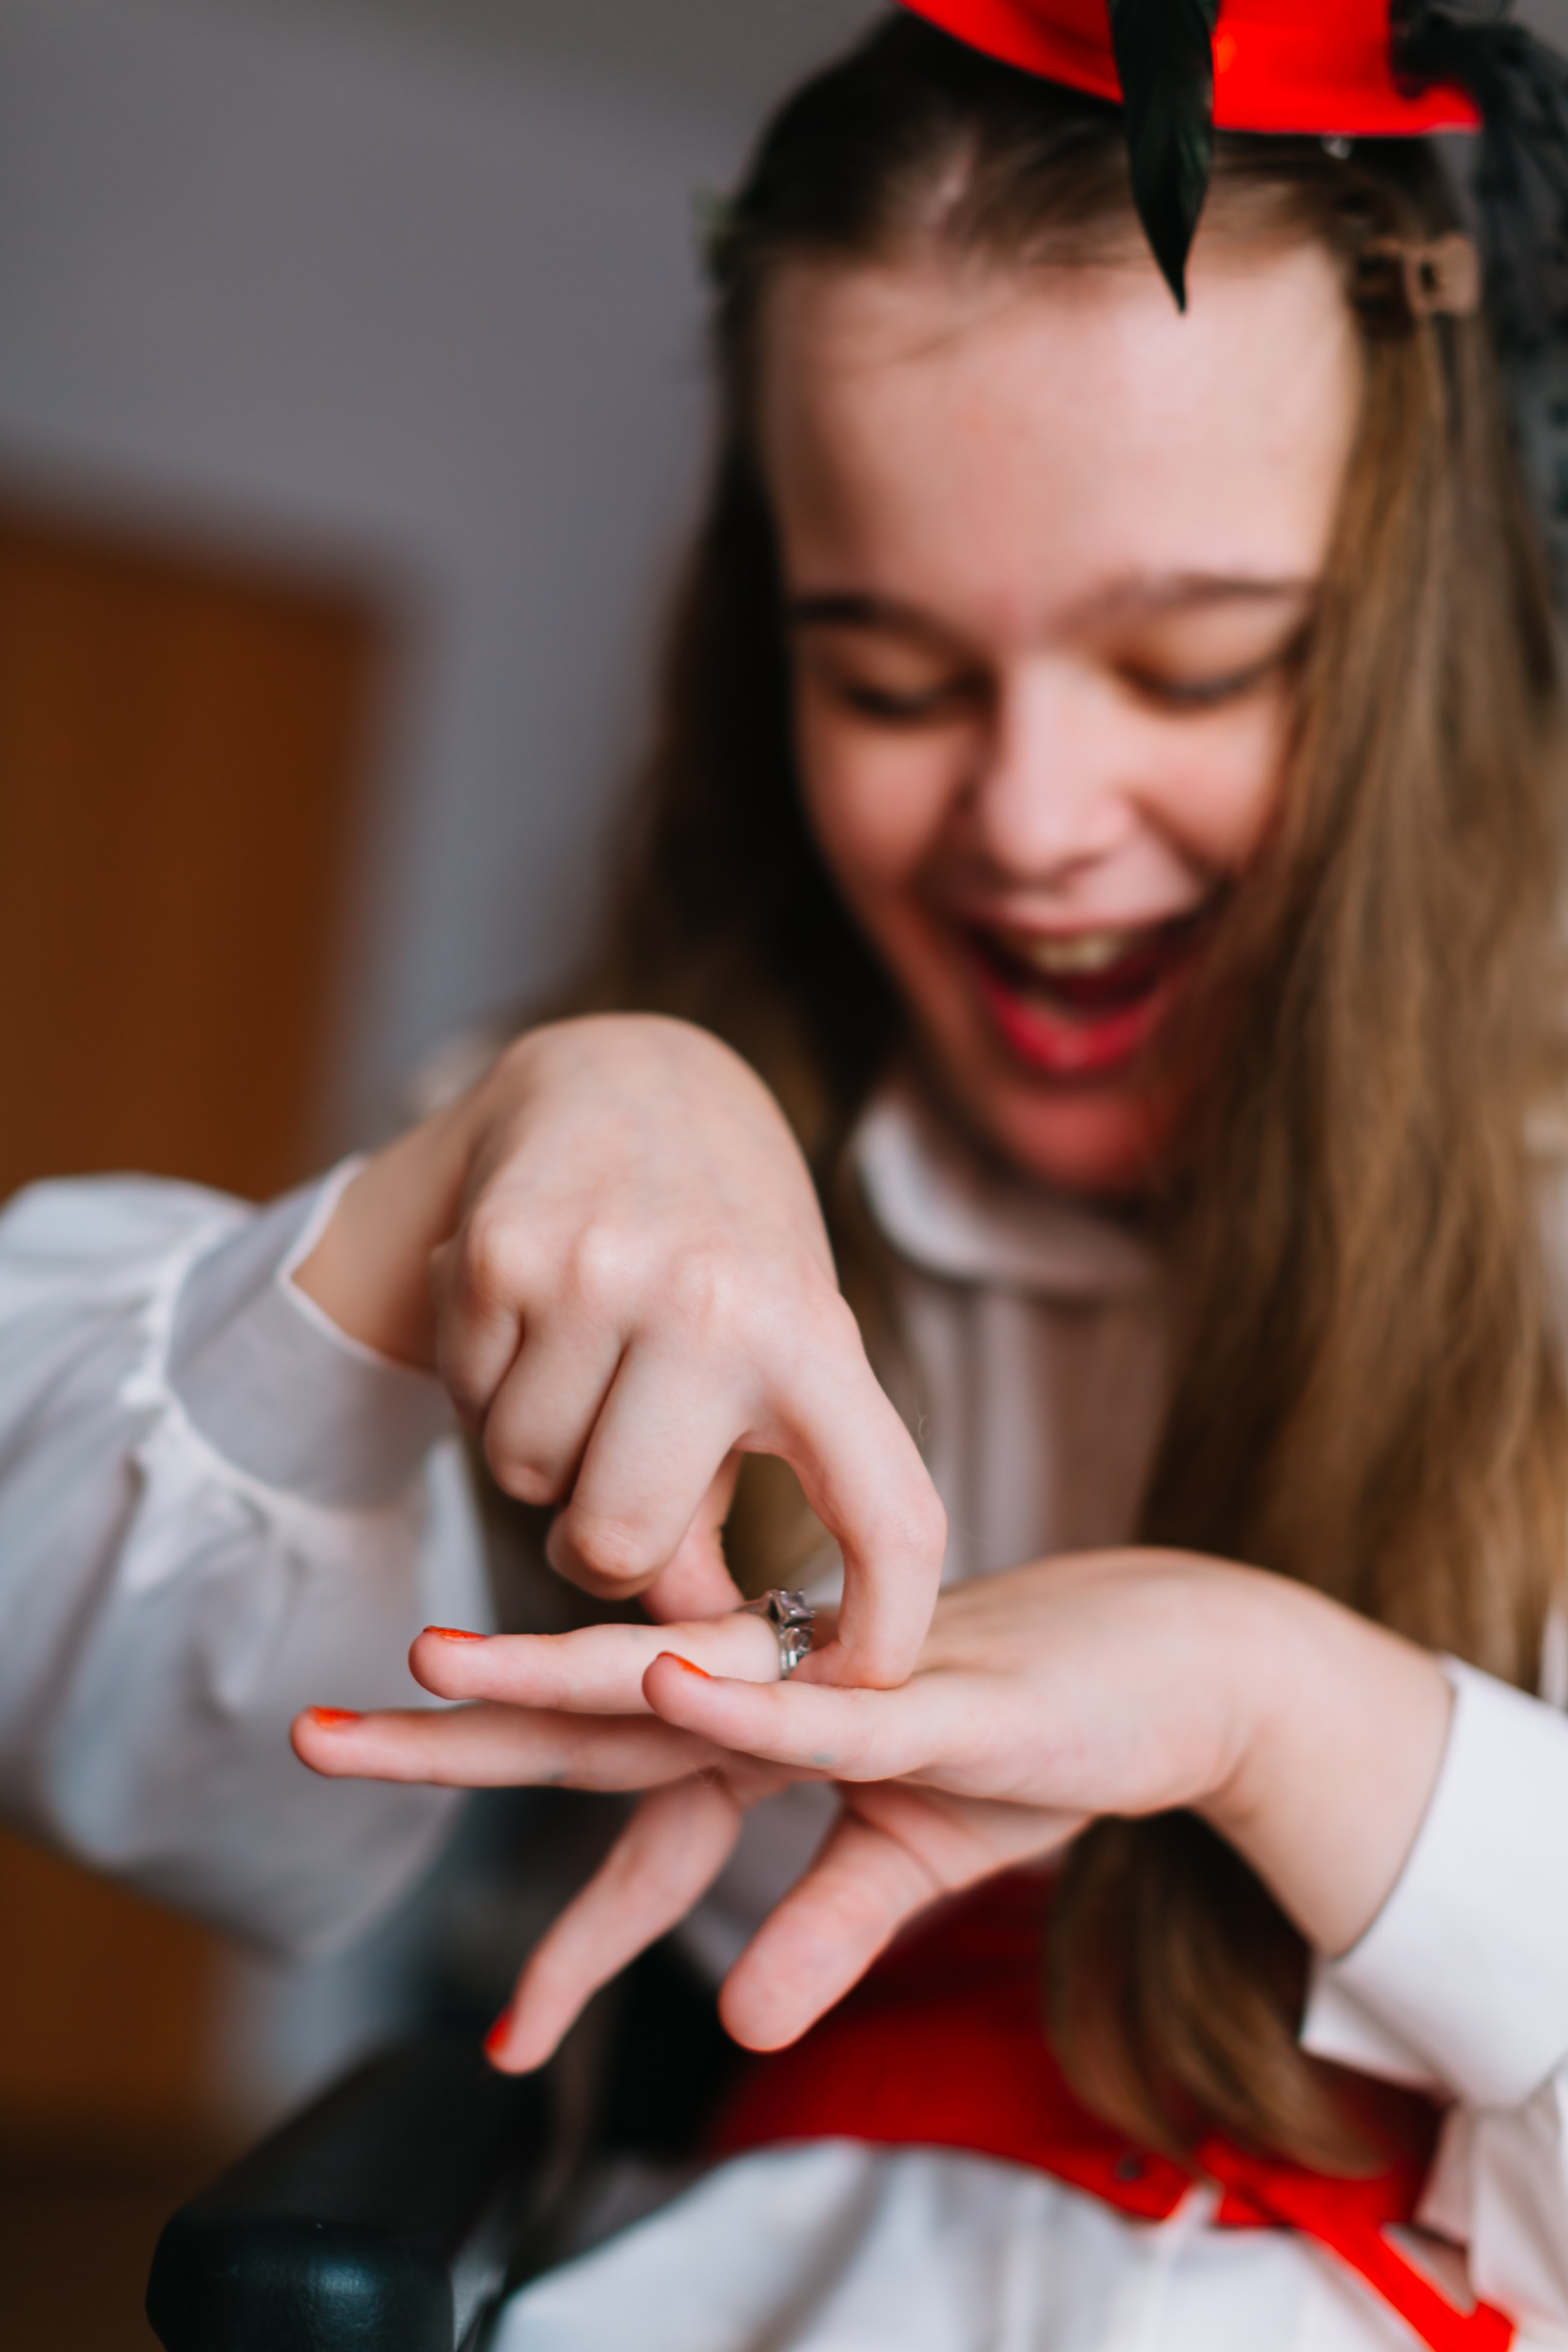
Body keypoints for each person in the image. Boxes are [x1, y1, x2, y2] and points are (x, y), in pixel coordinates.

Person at [293, 4, 1568, 2346]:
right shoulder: (615, 1183)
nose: (1028, 822)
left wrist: (1291, 1706)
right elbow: (114, 1691)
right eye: (888, 682)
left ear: (1428, 660)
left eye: (1192, 668)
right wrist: (468, 1163)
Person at [0, 1021, 935, 1952]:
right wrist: (514, 1125)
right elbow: (104, 1712)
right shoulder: (540, 1151)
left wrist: (1089, 1639)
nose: (1033, 859)